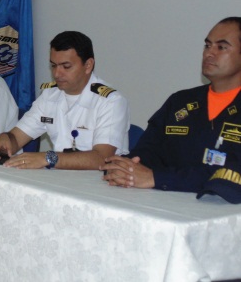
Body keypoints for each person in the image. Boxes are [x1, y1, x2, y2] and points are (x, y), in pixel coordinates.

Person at [102, 17, 241, 192]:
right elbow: (148, 150)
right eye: (207, 45)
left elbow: (232, 173)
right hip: (165, 205)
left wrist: (157, 178)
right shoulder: (180, 101)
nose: (209, 53)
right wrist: (127, 167)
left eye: (221, 47)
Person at [0, 31, 130, 169]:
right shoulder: (49, 96)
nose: (57, 73)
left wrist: (48, 158)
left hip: (97, 184)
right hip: (59, 179)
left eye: (66, 66)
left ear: (88, 66)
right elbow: (17, 137)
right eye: (53, 66)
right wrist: (6, 138)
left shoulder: (111, 102)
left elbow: (101, 158)